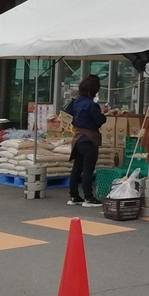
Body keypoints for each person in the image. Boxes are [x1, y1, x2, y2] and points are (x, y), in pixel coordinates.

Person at [64, 74, 106, 207]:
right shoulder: (92, 105)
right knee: (88, 169)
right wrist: (103, 115)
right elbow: (98, 121)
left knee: (77, 168)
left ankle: (74, 196)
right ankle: (89, 197)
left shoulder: (76, 102)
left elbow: (68, 115)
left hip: (77, 139)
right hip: (89, 139)